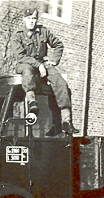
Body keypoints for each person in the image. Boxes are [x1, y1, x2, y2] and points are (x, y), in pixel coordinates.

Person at [11, 7, 79, 135]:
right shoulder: (17, 35)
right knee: (27, 73)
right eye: (29, 18)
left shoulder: (43, 31)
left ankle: (66, 120)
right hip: (26, 63)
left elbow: (58, 44)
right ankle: (32, 102)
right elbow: (20, 56)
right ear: (24, 19)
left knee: (60, 82)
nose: (32, 21)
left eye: (34, 18)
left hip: (43, 63)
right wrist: (38, 65)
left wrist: (54, 61)